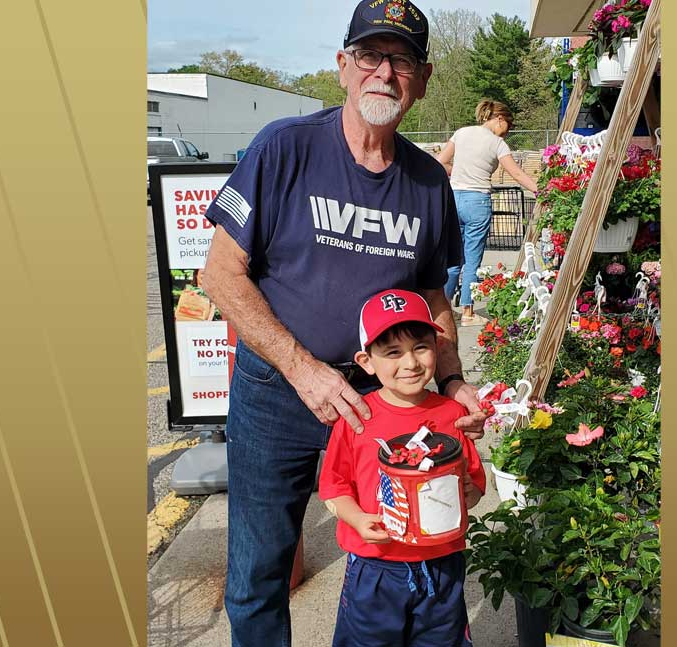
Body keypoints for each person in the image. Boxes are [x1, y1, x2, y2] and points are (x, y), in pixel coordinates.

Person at [198, 2, 486, 644]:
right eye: (370, 55)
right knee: (259, 571)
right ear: (343, 66)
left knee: (389, 547)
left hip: (378, 403)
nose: (384, 72)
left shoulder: (427, 181)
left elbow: (433, 295)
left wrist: (452, 380)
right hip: (277, 394)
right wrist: (303, 370)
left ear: (423, 79)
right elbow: (218, 274)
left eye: (402, 60)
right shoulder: (284, 147)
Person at [318, 289, 485, 646]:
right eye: (393, 352)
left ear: (437, 348)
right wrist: (357, 519)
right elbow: (334, 488)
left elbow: (473, 484)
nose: (410, 363)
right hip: (376, 566)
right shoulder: (357, 417)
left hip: (441, 563)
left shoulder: (453, 414)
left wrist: (467, 494)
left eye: (420, 347)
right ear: (366, 361)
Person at [437, 100, 540, 325]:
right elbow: (517, 174)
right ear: (499, 119)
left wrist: (458, 171)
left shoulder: (461, 133)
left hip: (453, 199)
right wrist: (539, 190)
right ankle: (468, 312)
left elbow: (439, 162)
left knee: (453, 258)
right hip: (477, 201)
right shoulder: (497, 144)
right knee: (472, 260)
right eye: (508, 126)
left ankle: (443, 312)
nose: (507, 132)